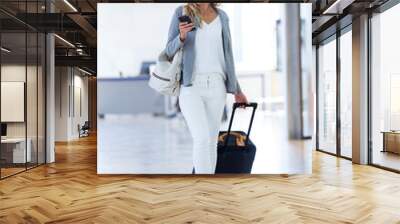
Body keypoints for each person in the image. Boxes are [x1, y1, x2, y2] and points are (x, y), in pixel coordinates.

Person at [165, 3, 248, 174]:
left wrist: (237, 90)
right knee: (201, 138)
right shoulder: (182, 12)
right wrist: (181, 36)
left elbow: (228, 54)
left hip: (217, 86)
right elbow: (168, 51)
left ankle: (209, 189)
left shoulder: (222, 17)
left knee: (211, 141)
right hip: (191, 87)